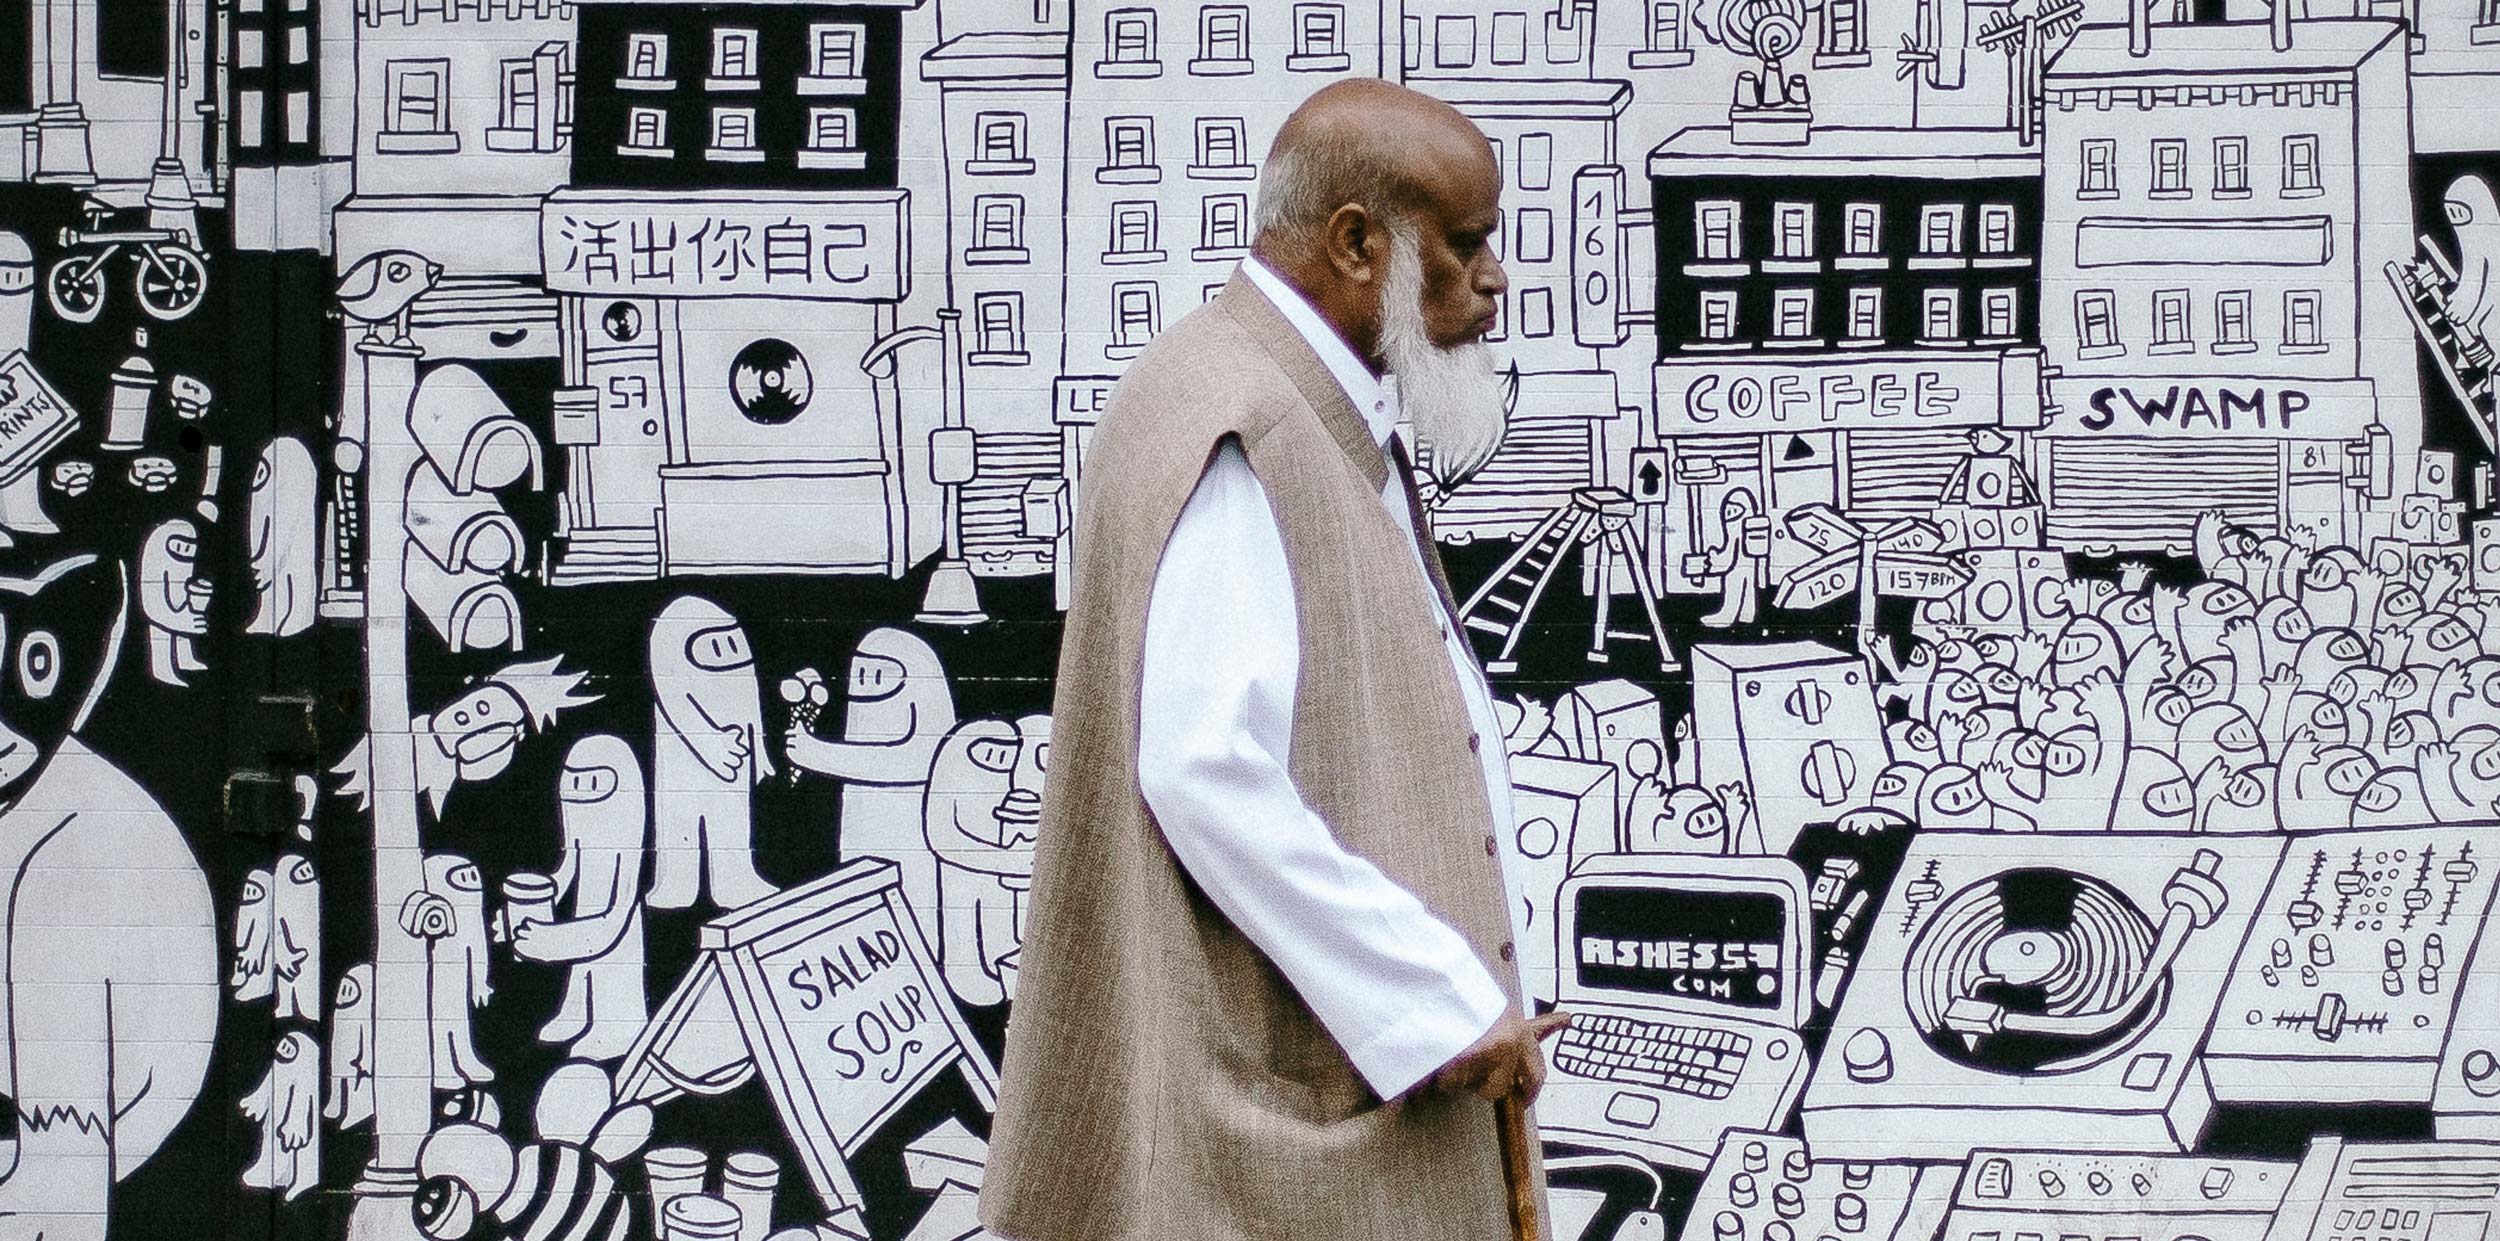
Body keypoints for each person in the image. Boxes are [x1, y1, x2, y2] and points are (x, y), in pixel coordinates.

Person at [981, 79, 1571, 1240]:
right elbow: (1206, 768)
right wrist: (1437, 1004)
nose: (1493, 279)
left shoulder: (1257, 387)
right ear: (1357, 242)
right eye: (1464, 246)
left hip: (1327, 1066)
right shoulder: (1248, 418)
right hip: (1297, 1103)